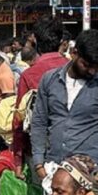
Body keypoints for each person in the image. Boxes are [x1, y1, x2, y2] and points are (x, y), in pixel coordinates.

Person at [30, 29, 98, 190]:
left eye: (97, 66)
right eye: (87, 65)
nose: (92, 71)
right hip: (53, 173)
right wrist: (39, 164)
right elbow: (39, 122)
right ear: (74, 53)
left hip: (90, 177)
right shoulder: (49, 80)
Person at [12, 17, 69, 180]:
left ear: (35, 40)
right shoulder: (74, 70)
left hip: (40, 155)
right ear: (62, 41)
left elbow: (19, 120)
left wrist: (17, 161)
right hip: (75, 150)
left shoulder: (29, 75)